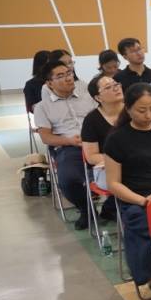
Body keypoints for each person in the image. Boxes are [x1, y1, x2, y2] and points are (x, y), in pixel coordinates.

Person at [103, 83, 151, 287]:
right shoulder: (117, 139)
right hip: (136, 199)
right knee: (150, 225)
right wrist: (143, 201)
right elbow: (113, 183)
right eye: (141, 110)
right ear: (128, 109)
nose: (148, 115)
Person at [34, 59, 96, 229]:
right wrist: (69, 140)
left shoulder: (88, 98)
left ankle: (111, 208)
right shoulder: (42, 107)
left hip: (97, 143)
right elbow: (46, 137)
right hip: (70, 148)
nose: (68, 78)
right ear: (49, 83)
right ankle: (86, 209)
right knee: (68, 180)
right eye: (60, 76)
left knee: (130, 166)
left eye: (69, 73)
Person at [81, 73, 123, 191]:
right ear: (98, 98)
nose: (116, 88)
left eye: (116, 84)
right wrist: (121, 160)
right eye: (108, 87)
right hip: (109, 167)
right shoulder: (91, 120)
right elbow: (91, 156)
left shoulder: (133, 111)